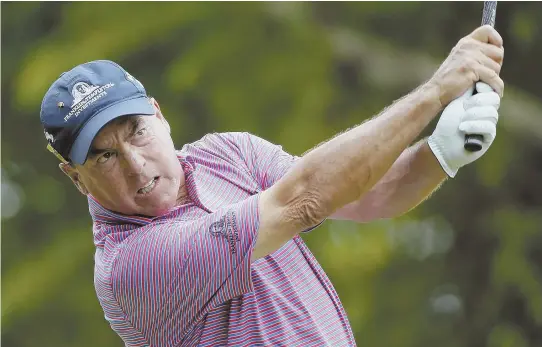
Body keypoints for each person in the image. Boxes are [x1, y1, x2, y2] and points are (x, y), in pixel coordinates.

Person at [39, 25, 503, 346]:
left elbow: (364, 192)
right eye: (105, 156)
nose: (136, 166)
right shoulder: (131, 267)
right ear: (76, 179)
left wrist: (441, 153)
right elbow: (304, 199)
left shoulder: (228, 154)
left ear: (159, 114)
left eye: (137, 131)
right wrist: (436, 92)